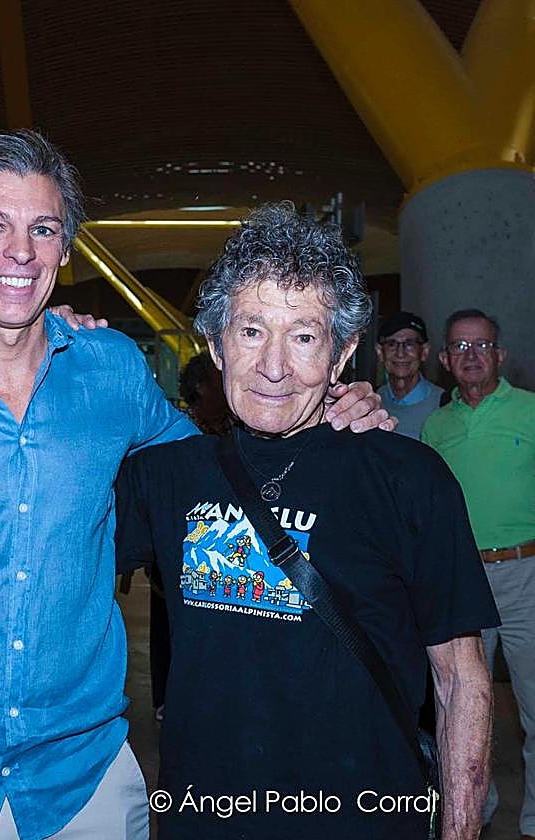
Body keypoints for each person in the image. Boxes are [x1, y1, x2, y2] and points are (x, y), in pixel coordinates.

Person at [0, 131, 392, 840]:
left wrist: (324, 410)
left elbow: (218, 472)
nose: (20, 252)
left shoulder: (110, 370)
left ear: (65, 249)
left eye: (43, 229)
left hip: (83, 784)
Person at [115, 203, 498, 840]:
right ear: (215, 343)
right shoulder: (166, 476)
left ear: (342, 352)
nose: (273, 365)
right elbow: (35, 533)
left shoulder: (409, 477)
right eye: (251, 331)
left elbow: (460, 674)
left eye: (303, 336)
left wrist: (458, 831)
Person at [422, 308, 535, 840]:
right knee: (468, 707)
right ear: (445, 359)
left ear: (500, 354)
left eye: (481, 345)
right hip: (463, 580)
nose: (471, 356)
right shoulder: (435, 427)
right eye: (460, 347)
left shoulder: (531, 412)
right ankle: (477, 811)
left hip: (526, 575)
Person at [375, 310, 443, 439]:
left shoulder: (443, 404)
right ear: (380, 352)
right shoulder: (371, 404)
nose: (400, 353)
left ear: (424, 352)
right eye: (392, 344)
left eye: (409, 344)